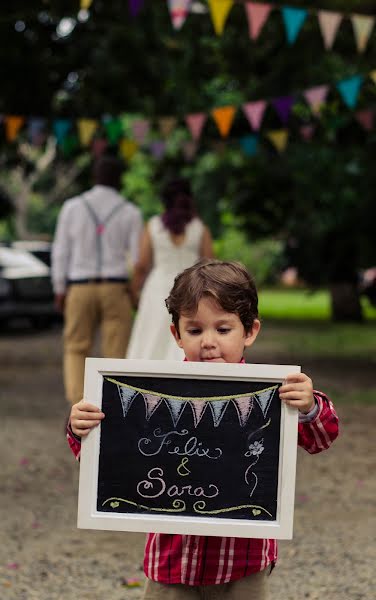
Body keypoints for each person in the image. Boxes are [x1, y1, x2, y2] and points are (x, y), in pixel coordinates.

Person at [67, 259, 339, 599]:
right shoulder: (150, 395)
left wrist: (309, 407)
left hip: (242, 564)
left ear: (250, 331)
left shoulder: (273, 395)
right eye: (195, 330)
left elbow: (322, 436)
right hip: (171, 561)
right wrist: (81, 427)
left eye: (223, 330)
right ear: (176, 335)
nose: (208, 342)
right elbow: (107, 454)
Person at [52, 154, 143, 405]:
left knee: (76, 347)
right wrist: (135, 294)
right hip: (115, 287)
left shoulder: (72, 207)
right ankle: (112, 406)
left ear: (94, 177)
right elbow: (137, 259)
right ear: (120, 180)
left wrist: (59, 289)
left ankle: (78, 405)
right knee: (115, 352)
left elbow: (61, 251)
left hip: (79, 286)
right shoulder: (130, 211)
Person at [126, 177, 214, 360]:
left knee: (152, 335)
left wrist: (133, 291)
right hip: (191, 288)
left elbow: (142, 265)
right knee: (186, 329)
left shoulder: (153, 226)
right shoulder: (199, 228)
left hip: (157, 289)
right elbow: (210, 265)